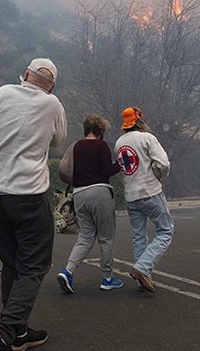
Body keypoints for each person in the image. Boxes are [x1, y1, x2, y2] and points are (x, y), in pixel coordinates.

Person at [0, 58, 67, 351]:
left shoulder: (1, 94)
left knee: (12, 263)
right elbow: (58, 140)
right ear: (52, 86)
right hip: (30, 195)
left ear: (25, 75)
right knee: (34, 267)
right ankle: (4, 334)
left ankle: (18, 333)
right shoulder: (53, 104)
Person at [57, 114, 122, 294]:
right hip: (100, 192)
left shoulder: (76, 146)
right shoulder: (101, 146)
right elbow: (107, 171)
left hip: (79, 194)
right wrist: (121, 164)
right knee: (106, 237)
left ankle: (67, 271)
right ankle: (108, 278)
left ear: (86, 129)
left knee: (85, 237)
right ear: (101, 131)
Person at [114, 107, 173, 293]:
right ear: (139, 121)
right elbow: (164, 163)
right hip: (150, 192)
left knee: (139, 237)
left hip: (131, 196)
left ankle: (142, 280)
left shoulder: (118, 143)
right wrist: (159, 175)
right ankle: (142, 268)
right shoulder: (147, 138)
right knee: (165, 231)